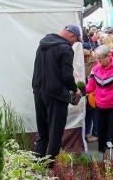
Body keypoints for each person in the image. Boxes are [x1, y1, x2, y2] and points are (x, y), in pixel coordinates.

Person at [32, 24, 82, 160]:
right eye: (76, 40)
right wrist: (75, 89)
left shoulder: (43, 43)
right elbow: (66, 76)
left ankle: (38, 163)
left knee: (43, 132)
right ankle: (51, 167)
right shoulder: (65, 48)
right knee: (55, 133)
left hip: (38, 92)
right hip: (56, 94)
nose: (74, 43)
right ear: (72, 36)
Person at [85, 45, 113, 156]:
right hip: (100, 105)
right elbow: (90, 87)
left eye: (101, 58)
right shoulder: (95, 69)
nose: (99, 61)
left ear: (109, 56)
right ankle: (101, 158)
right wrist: (79, 90)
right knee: (101, 132)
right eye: (97, 58)